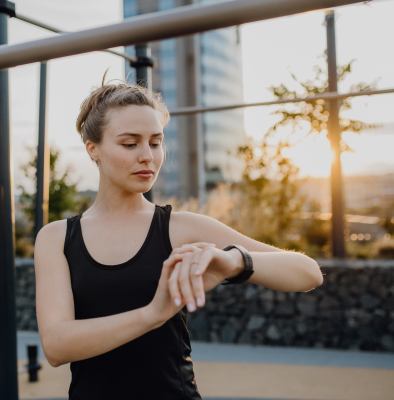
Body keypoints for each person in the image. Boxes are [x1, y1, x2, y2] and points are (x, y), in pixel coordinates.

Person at [34, 76, 323, 400]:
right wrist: (151, 314)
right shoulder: (56, 238)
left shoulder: (181, 227)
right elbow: (56, 345)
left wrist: (233, 260)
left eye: (156, 142)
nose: (148, 156)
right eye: (130, 144)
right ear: (93, 149)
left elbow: (308, 272)